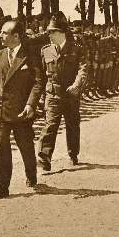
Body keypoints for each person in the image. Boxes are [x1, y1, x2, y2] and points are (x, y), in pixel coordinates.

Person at [0, 19, 43, 199]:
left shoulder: (30, 56)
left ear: (16, 36)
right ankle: (2, 187)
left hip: (22, 111)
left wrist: (31, 104)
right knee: (1, 148)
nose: (0, 35)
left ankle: (31, 174)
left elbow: (38, 82)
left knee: (26, 146)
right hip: (2, 109)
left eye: (5, 32)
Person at [38, 12, 88, 172]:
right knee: (50, 124)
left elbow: (83, 70)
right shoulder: (45, 50)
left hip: (70, 93)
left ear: (62, 32)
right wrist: (40, 96)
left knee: (72, 124)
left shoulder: (77, 49)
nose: (49, 35)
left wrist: (77, 85)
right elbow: (41, 75)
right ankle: (44, 156)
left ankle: (73, 153)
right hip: (53, 93)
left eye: (52, 32)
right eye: (48, 32)